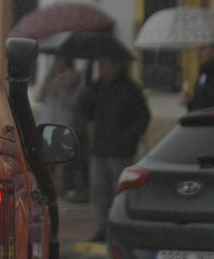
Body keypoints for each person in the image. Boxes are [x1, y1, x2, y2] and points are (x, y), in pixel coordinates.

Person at [77, 48, 151, 242]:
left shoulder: (130, 89)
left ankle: (119, 227)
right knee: (99, 191)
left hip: (120, 151)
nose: (101, 68)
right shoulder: (97, 87)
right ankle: (102, 227)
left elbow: (143, 118)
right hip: (100, 148)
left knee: (118, 191)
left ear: (115, 66)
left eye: (105, 64)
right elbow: (87, 113)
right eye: (99, 64)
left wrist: (128, 138)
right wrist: (83, 97)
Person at [35, 51, 86, 199]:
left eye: (62, 61)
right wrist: (45, 88)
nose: (58, 65)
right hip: (47, 123)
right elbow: (37, 97)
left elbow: (73, 102)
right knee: (46, 159)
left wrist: (65, 89)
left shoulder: (72, 80)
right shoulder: (49, 77)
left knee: (63, 160)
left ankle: (62, 189)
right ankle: (47, 187)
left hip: (63, 125)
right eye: (57, 61)